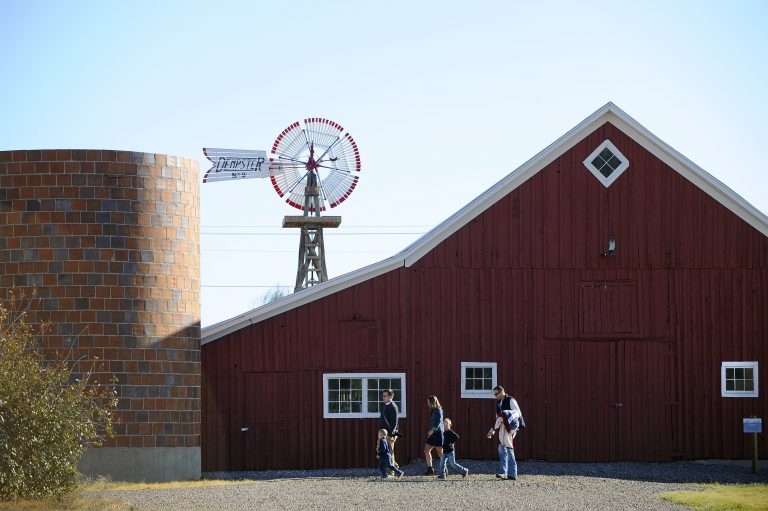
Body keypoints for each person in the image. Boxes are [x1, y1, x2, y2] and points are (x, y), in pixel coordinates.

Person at [487, 401, 521, 480]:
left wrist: (491, 432)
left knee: (508, 455)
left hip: (506, 438)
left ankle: (509, 474)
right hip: (504, 438)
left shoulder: (503, 415)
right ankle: (506, 473)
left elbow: (496, 423)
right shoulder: (513, 414)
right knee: (507, 455)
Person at [378, 389, 400, 472]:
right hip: (383, 432)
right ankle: (394, 465)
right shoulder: (384, 405)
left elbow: (394, 422)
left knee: (389, 452)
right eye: (382, 395)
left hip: (390, 433)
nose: (383, 397)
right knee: (385, 452)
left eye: (385, 395)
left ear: (390, 396)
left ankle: (392, 472)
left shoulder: (393, 407)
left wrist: (390, 434)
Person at [423, 395, 444, 475]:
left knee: (439, 451)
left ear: (432, 402)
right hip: (433, 433)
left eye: (428, 402)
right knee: (426, 450)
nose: (427, 403)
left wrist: (432, 430)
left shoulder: (439, 410)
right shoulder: (433, 410)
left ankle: (444, 469)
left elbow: (438, 421)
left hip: (438, 433)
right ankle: (430, 469)